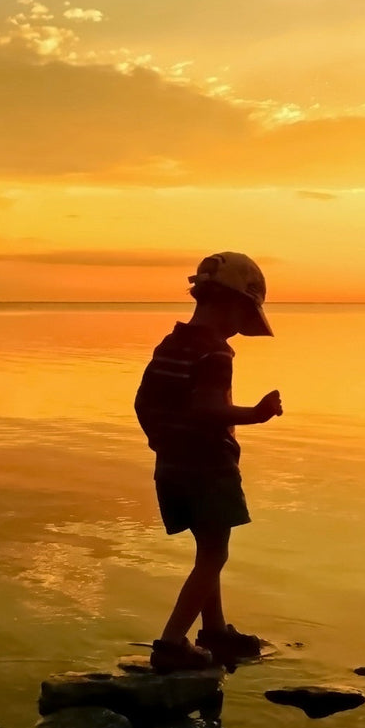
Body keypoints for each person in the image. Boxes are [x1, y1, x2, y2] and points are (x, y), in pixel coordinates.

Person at [134, 252, 282, 673]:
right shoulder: (216, 352)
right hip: (207, 467)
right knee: (215, 554)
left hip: (171, 466)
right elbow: (208, 409)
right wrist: (256, 413)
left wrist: (160, 441)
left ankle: (214, 630)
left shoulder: (170, 344)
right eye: (244, 314)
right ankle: (171, 643)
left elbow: (143, 401)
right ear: (230, 304)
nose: (241, 326)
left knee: (207, 550)